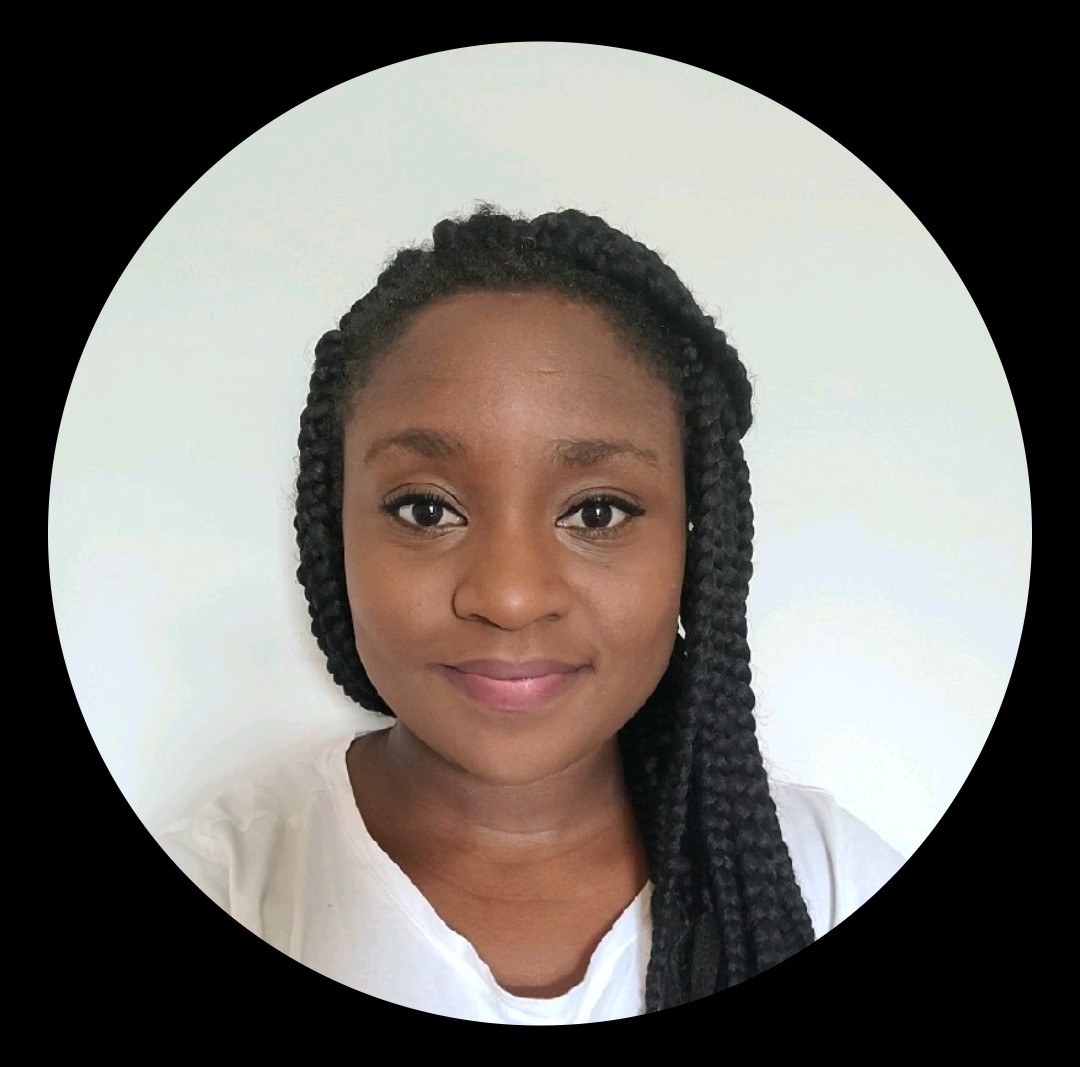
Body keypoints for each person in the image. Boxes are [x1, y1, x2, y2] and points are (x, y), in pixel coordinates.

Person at [159, 206, 903, 1022]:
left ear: (700, 545)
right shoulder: (229, 882)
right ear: (332, 530)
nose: (510, 596)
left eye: (596, 514)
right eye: (424, 510)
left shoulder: (830, 885)